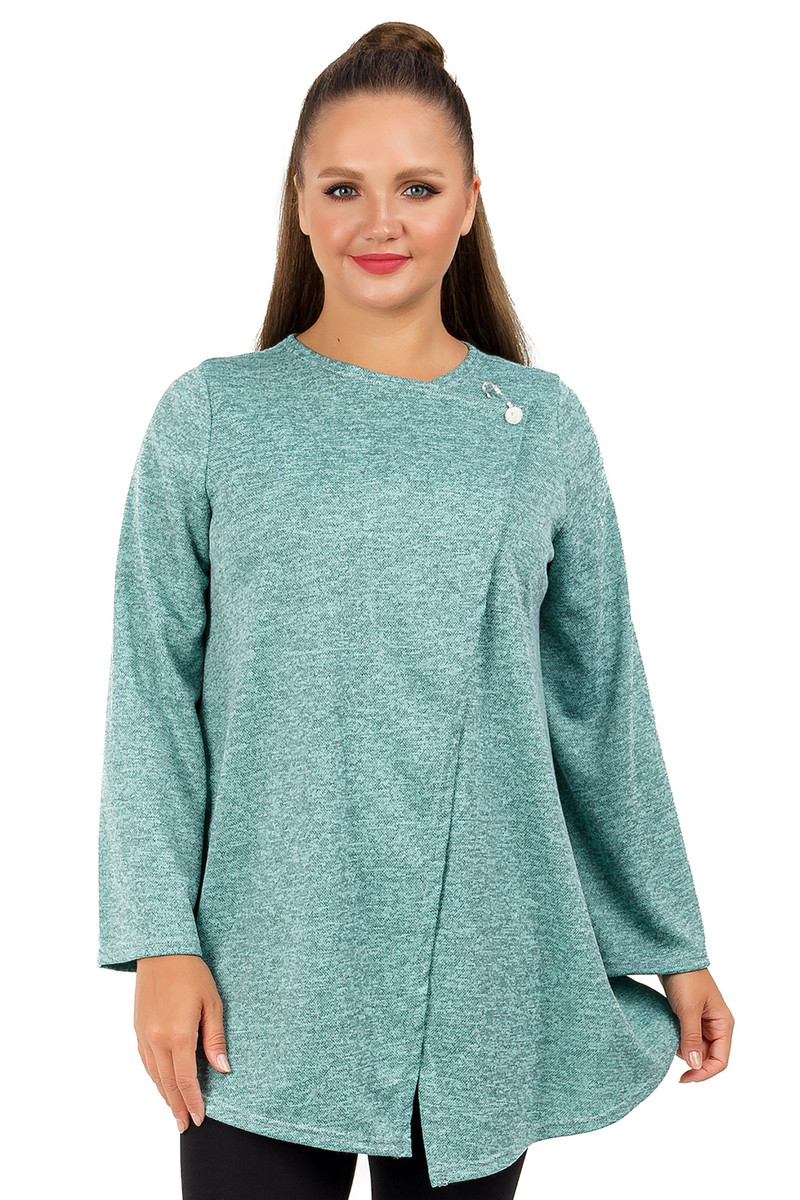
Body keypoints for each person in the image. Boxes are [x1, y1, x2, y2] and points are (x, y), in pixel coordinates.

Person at [97, 20, 734, 1200]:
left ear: (469, 204)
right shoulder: (213, 416)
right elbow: (151, 694)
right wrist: (160, 943)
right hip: (263, 968)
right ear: (298, 204)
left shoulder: (541, 425)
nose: (378, 222)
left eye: (417, 187)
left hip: (480, 968)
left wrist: (670, 942)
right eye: (343, 187)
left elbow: (600, 705)